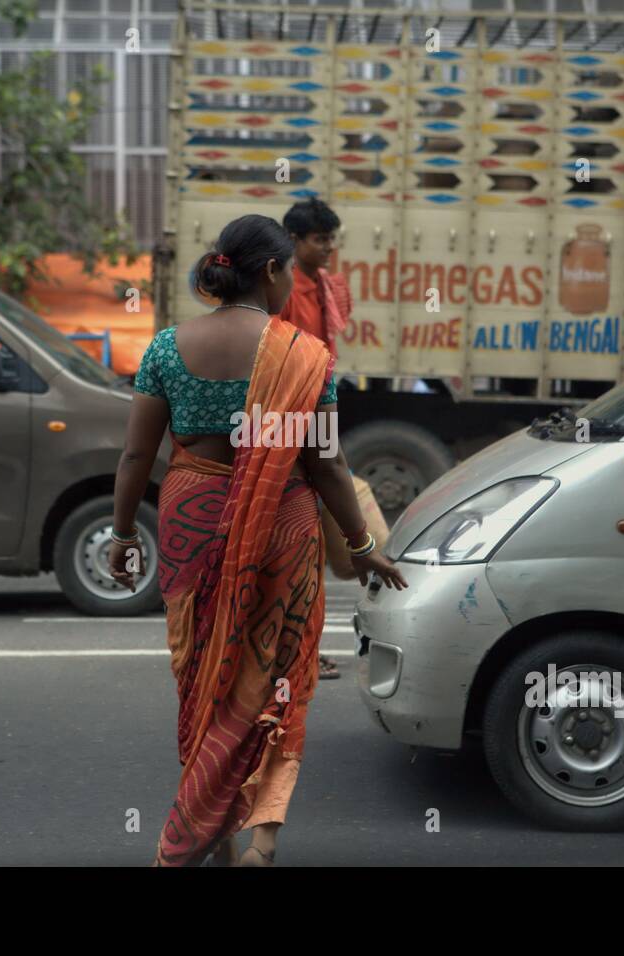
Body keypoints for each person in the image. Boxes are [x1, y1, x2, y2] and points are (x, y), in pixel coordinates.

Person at [109, 214, 406, 867]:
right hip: (284, 522)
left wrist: (125, 533)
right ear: (272, 271)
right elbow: (327, 463)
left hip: (191, 522)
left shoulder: (164, 348)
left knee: (206, 673)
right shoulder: (306, 356)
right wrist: (360, 546)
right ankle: (262, 839)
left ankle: (210, 830)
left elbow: (136, 458)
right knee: (282, 674)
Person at [278, 197, 352, 680]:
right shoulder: (283, 290)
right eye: (319, 238)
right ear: (295, 241)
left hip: (313, 419)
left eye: (331, 237)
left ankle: (296, 651)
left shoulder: (328, 286)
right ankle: (296, 654)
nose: (328, 246)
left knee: (305, 547)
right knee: (298, 547)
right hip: (293, 426)